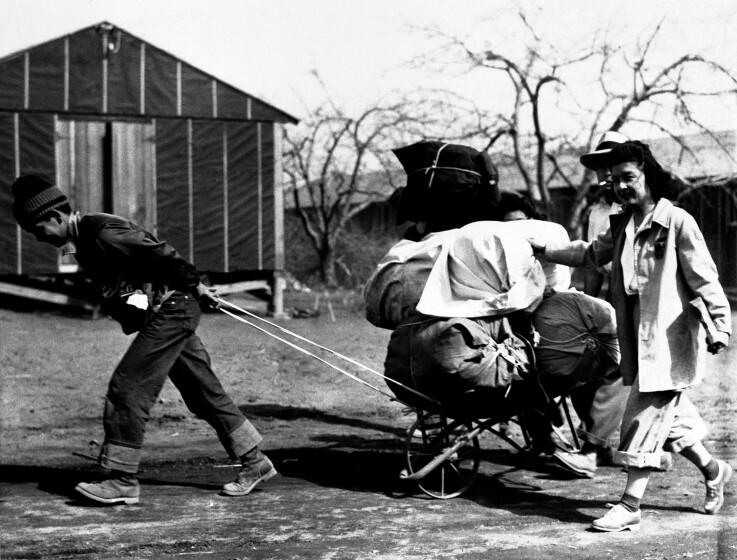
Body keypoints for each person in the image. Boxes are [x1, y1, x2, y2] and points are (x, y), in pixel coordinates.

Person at [11, 174, 276, 505]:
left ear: (54, 217)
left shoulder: (102, 231)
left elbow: (160, 253)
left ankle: (122, 479)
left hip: (172, 309)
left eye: (39, 230)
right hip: (169, 311)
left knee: (128, 386)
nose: (40, 238)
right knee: (202, 391)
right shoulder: (86, 242)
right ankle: (255, 462)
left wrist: (195, 284)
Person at [529, 141, 732, 532]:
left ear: (648, 177)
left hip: (668, 337)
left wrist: (720, 325)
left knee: (641, 413)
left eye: (629, 178)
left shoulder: (677, 222)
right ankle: (715, 469)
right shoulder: (622, 223)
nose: (620, 186)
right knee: (669, 420)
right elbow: (591, 253)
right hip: (635, 332)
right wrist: (547, 250)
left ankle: (630, 504)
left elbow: (705, 279)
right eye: (614, 180)